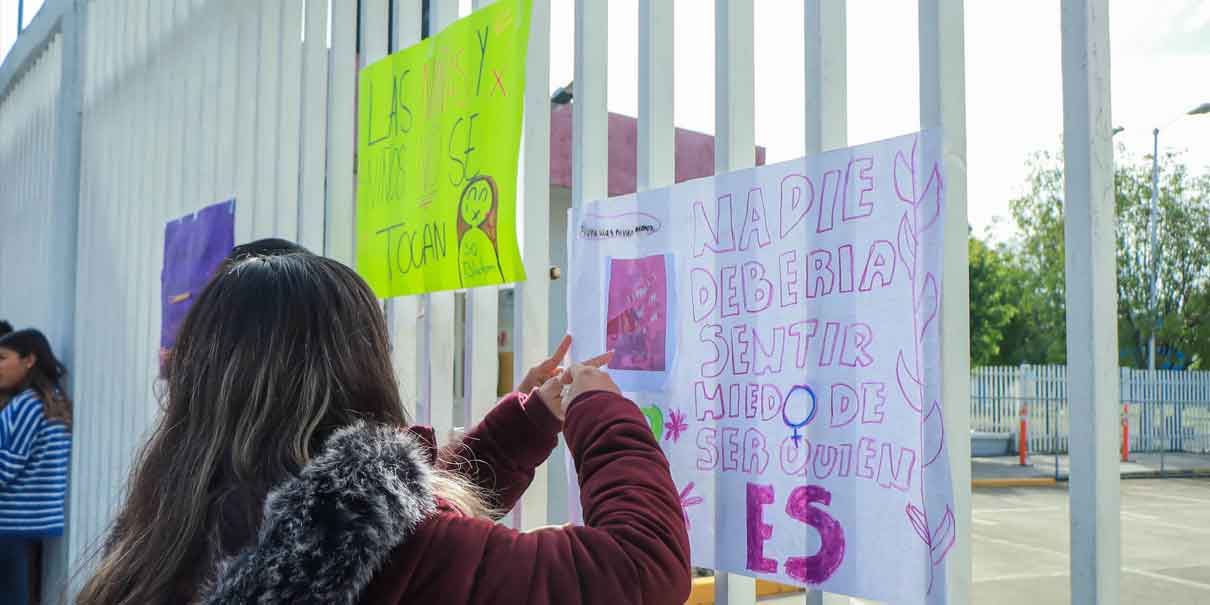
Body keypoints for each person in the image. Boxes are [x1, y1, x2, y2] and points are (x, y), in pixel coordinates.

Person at [77, 245, 691, 604]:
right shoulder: (386, 552)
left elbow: (382, 526)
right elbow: (640, 568)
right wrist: (600, 408)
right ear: (355, 362)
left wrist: (526, 421)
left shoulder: (177, 520)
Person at [0, 329, 72, 605]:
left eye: (2, 358)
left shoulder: (27, 404)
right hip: (30, 523)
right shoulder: (51, 400)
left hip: (8, 525)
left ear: (29, 359)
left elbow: (5, 468)